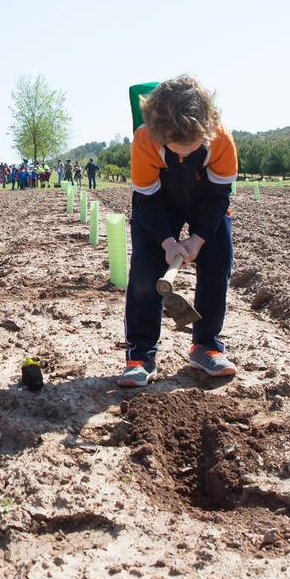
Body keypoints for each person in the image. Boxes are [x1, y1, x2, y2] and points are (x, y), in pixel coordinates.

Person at [118, 75, 238, 387]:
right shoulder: (145, 140)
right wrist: (168, 242)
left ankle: (206, 346)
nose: (183, 154)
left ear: (208, 128)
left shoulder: (221, 139)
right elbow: (148, 200)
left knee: (218, 261)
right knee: (145, 271)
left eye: (192, 146)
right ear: (160, 132)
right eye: (176, 146)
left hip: (205, 200)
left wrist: (198, 239)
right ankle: (140, 355)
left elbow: (217, 197)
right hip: (158, 202)